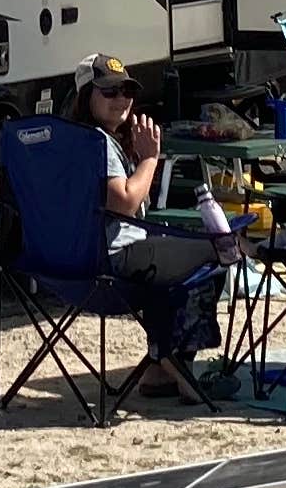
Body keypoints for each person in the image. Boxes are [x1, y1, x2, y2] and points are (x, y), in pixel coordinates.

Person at [75, 59, 225, 384]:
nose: (121, 98)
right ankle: (174, 362)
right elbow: (124, 202)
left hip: (67, 264)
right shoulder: (96, 143)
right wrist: (150, 159)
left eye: (127, 89)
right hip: (113, 260)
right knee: (218, 250)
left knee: (170, 256)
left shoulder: (65, 143)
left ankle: (159, 369)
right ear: (86, 95)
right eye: (109, 91)